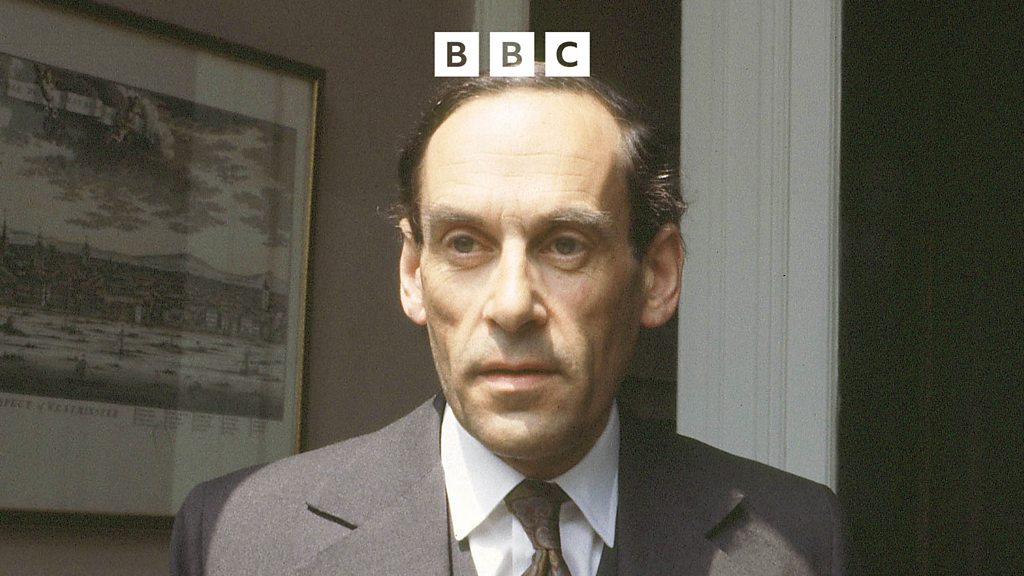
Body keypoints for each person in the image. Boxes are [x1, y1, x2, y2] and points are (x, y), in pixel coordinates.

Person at [170, 72, 845, 576]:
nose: (513, 305)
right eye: (465, 244)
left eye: (565, 245)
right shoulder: (241, 539)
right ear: (413, 274)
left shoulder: (795, 542)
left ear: (658, 276)